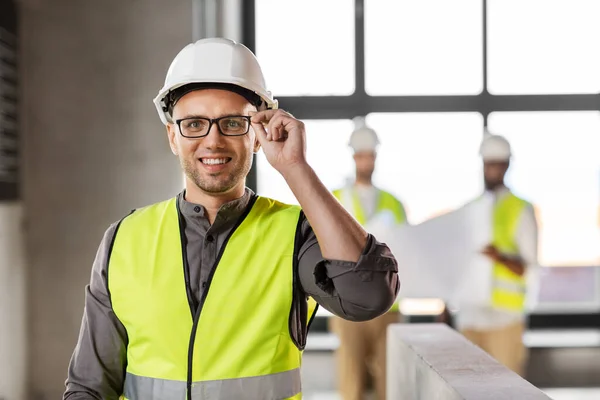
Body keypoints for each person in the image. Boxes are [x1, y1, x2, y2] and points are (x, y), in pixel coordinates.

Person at [63, 38, 399, 400]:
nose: (213, 140)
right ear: (172, 136)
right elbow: (89, 386)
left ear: (256, 137)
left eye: (233, 123)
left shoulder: (295, 235)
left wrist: (295, 168)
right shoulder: (124, 239)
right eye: (194, 124)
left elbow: (368, 297)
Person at [329, 118, 407, 400]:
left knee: (389, 379)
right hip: (347, 304)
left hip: (388, 304)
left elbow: (406, 253)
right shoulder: (335, 199)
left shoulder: (393, 203)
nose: (366, 161)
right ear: (353, 157)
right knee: (352, 381)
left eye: (370, 156)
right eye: (361, 155)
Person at [457, 132, 538, 376]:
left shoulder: (520, 209)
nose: (492, 170)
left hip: (505, 318)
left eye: (497, 164)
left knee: (507, 391)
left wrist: (499, 257)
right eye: (488, 163)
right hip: (470, 315)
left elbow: (529, 267)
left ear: (507, 165)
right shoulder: (470, 209)